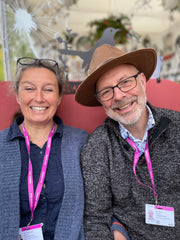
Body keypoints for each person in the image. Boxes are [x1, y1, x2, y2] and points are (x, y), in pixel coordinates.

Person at [75, 44, 180, 240]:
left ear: (141, 80)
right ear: (100, 100)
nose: (119, 95)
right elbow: (96, 220)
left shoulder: (177, 127)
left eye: (125, 82)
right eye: (106, 91)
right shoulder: (98, 146)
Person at [0, 57, 88, 240]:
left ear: (59, 97)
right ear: (17, 95)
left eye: (48, 89)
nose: (38, 98)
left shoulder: (80, 142)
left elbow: (98, 205)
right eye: (29, 88)